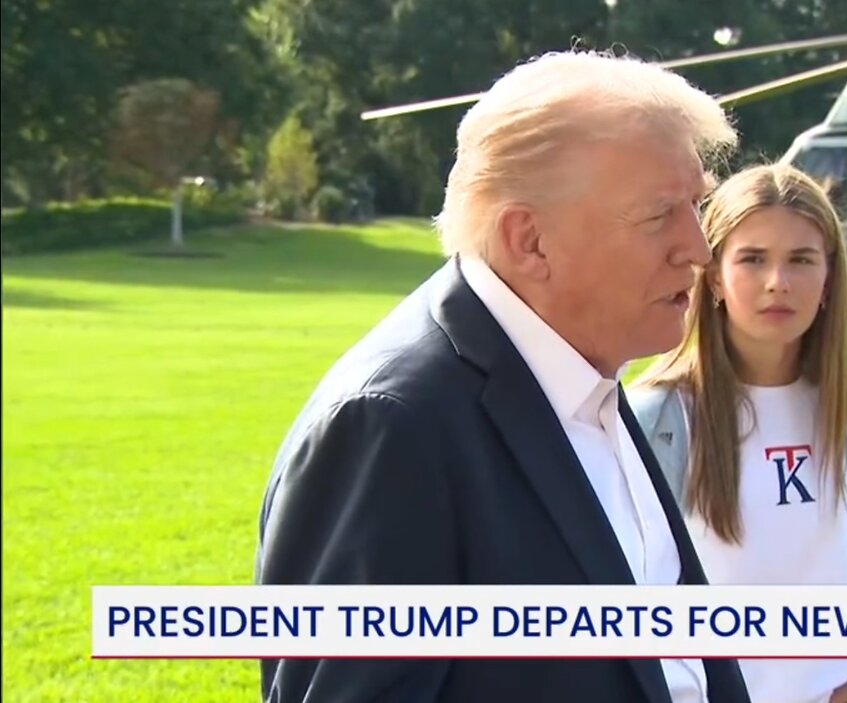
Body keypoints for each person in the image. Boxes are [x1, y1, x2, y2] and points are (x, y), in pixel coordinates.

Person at [254, 50, 751, 703]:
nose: (699, 248)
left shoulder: (585, 369)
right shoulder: (392, 425)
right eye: (660, 215)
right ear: (529, 240)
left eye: (696, 204)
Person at [629, 163, 847, 703]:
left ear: (829, 279)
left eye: (801, 260)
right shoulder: (658, 417)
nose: (778, 281)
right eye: (752, 259)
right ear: (713, 276)